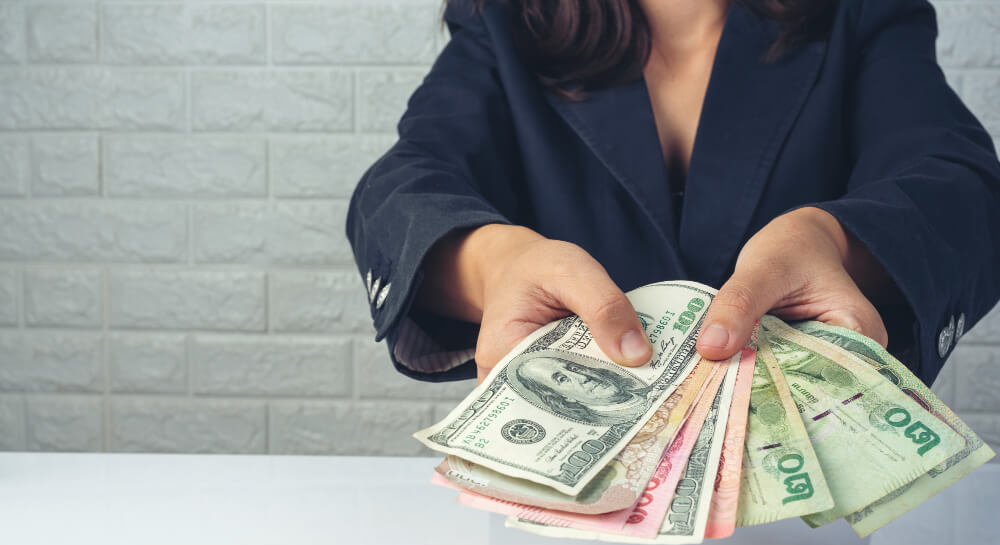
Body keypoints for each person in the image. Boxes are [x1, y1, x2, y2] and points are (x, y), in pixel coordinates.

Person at [345, 0, 1000, 389]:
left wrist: (833, 241)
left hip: (805, 536)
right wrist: (496, 264)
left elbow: (964, 188)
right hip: (560, 537)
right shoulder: (510, 17)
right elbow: (401, 188)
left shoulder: (861, 11)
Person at [507, 352, 651, 425]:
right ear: (562, 396)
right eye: (563, 379)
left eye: (574, 368)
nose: (582, 377)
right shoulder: (604, 421)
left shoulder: (648, 390)